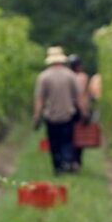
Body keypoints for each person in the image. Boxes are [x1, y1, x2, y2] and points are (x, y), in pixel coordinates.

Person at [33, 46, 80, 175]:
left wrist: (37, 116)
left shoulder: (43, 77)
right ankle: (67, 162)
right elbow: (78, 96)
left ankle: (58, 166)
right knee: (67, 141)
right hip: (67, 114)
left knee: (54, 143)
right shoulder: (70, 75)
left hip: (51, 116)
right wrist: (83, 111)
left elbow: (39, 99)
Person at [68, 54, 91, 169]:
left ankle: (71, 160)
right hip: (80, 108)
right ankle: (77, 159)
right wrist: (85, 110)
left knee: (70, 135)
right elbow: (84, 95)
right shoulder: (83, 77)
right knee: (80, 135)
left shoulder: (67, 76)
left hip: (69, 109)